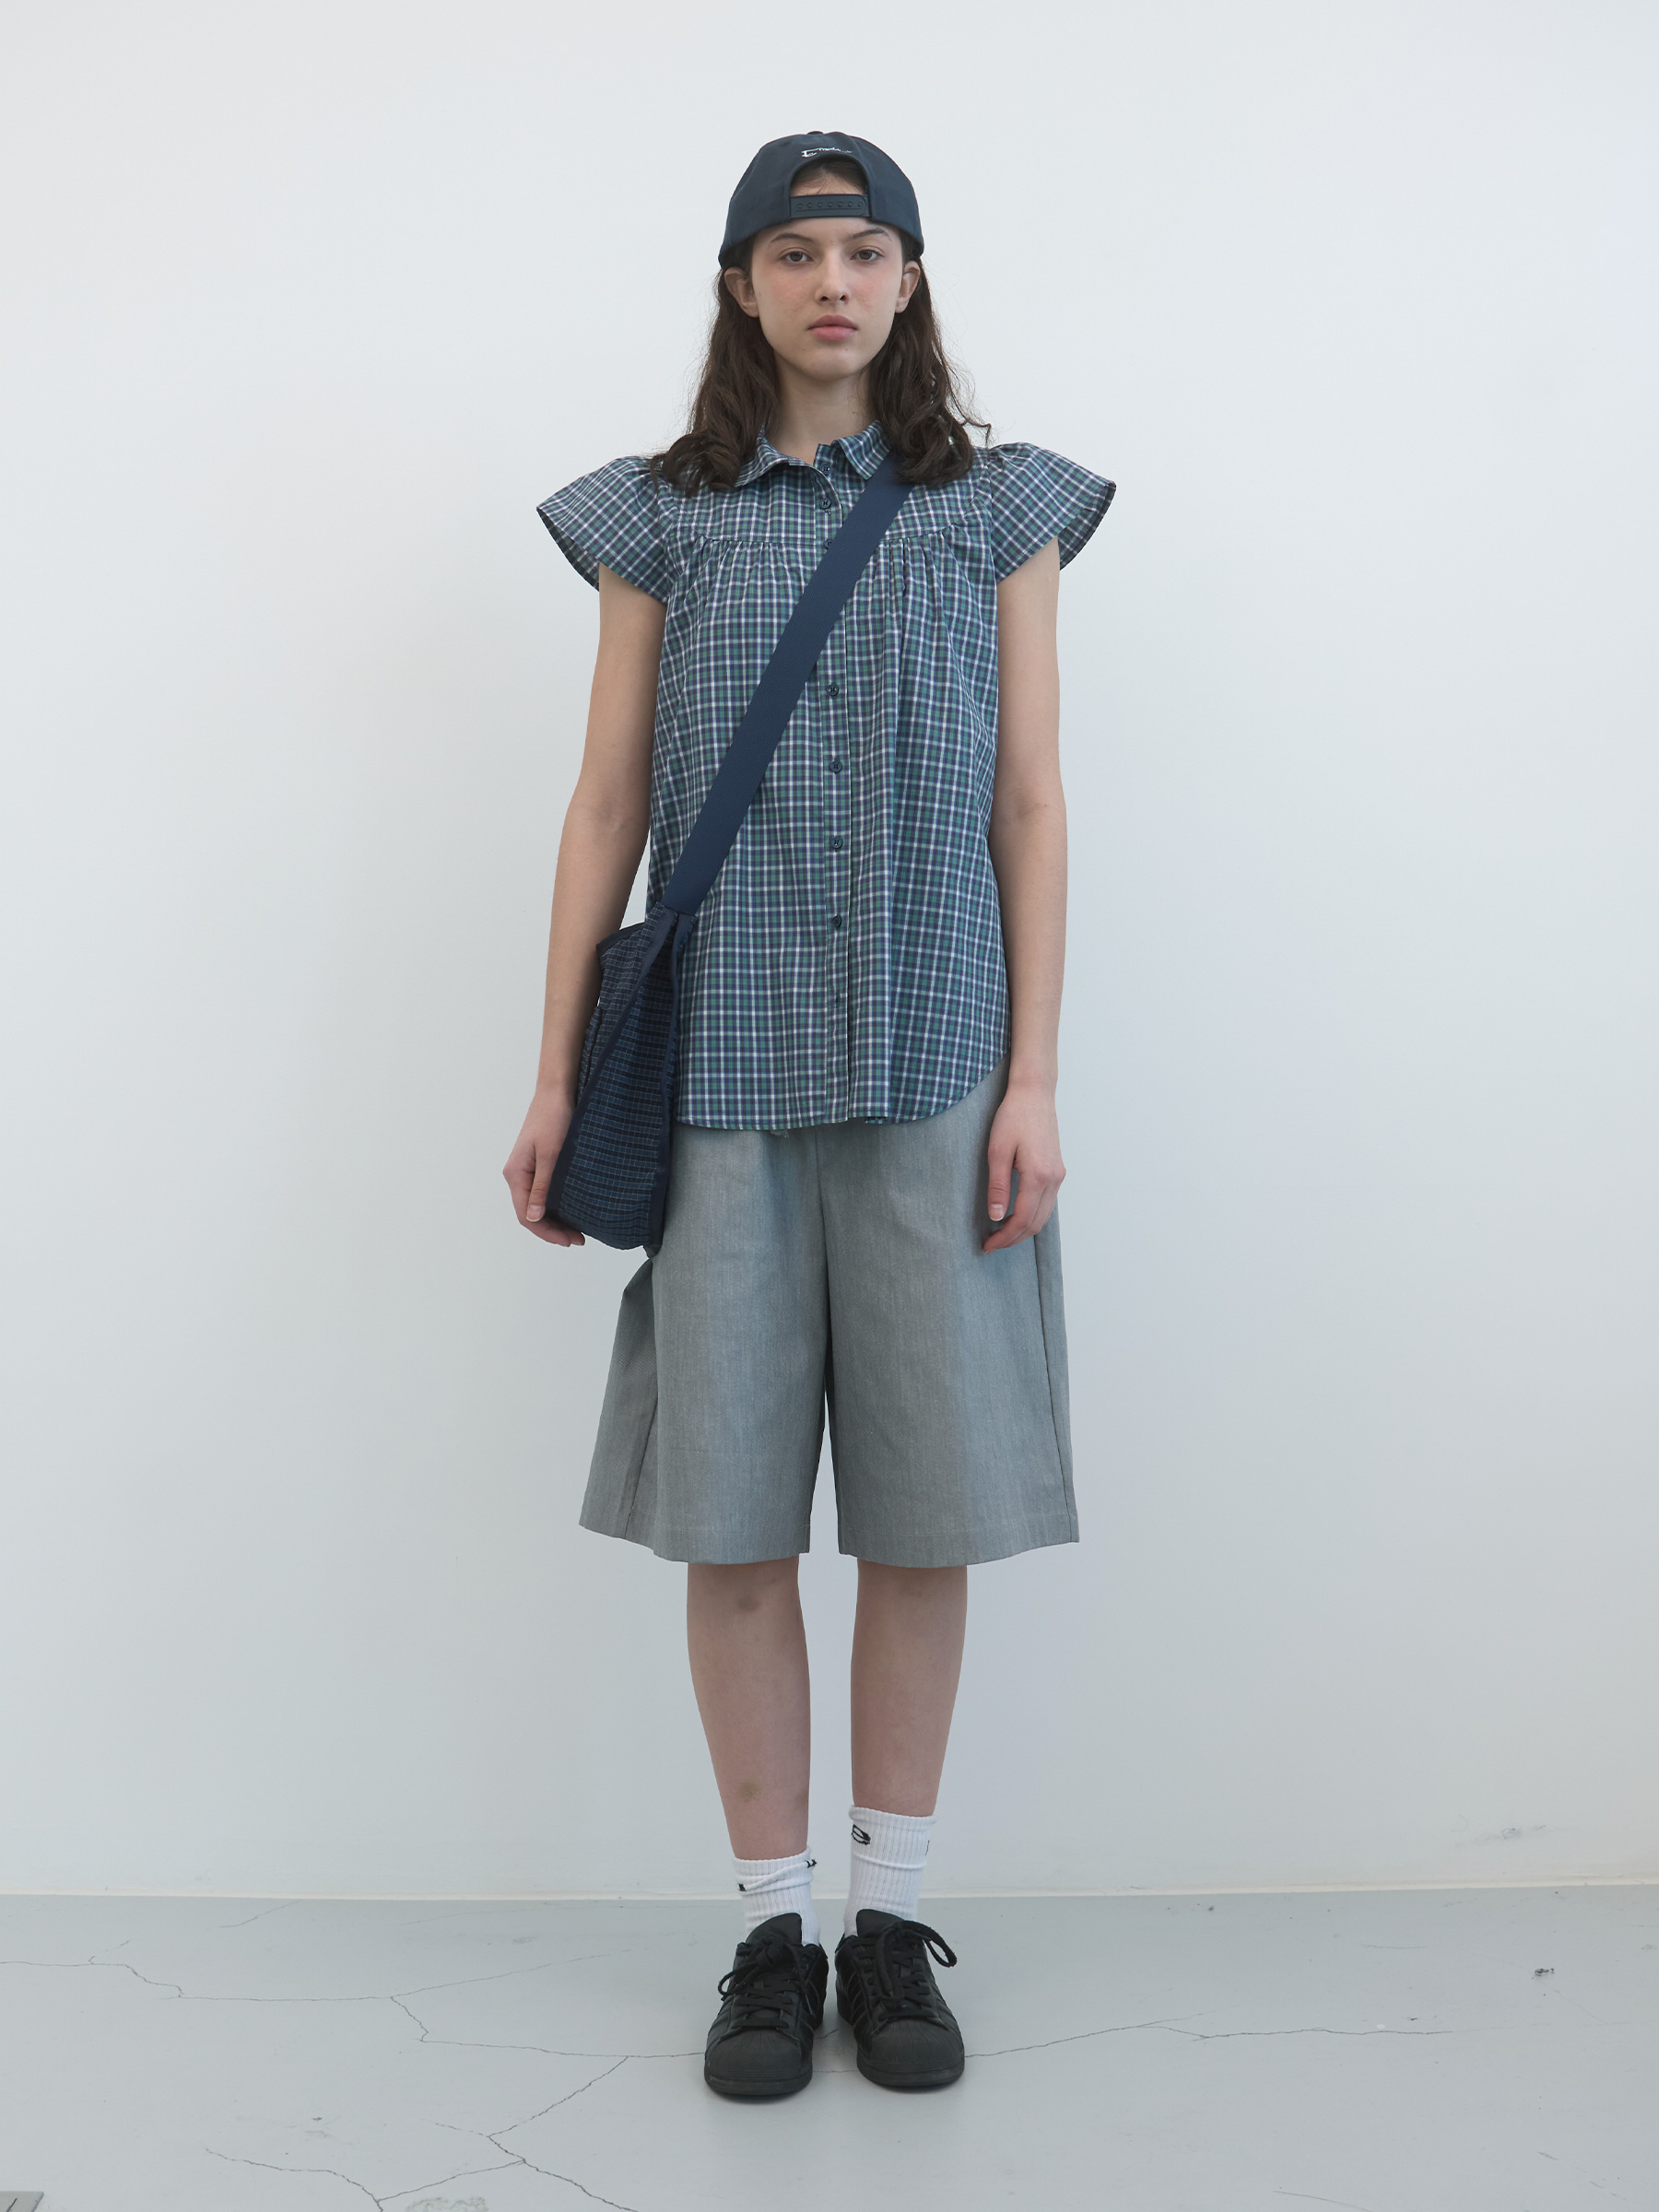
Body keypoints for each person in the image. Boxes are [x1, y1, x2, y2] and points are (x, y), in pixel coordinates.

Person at [504, 131, 1113, 2100]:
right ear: (740, 284)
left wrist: (1034, 1077)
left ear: (910, 279)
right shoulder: (660, 517)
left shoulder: (997, 506)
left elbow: (1032, 799)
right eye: (794, 251)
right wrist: (555, 1072)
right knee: (736, 1523)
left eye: (864, 250)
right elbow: (607, 804)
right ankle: (773, 1931)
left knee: (926, 1520)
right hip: (723, 1091)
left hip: (939, 1071)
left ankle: (891, 1927)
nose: (831, 282)